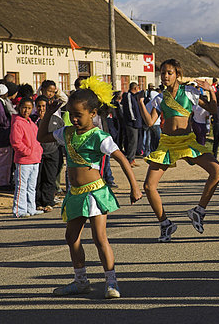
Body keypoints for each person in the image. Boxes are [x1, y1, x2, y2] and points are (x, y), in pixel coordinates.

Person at [37, 76, 142, 299]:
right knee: (71, 237)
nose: (74, 119)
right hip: (74, 194)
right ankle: (80, 280)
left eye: (78, 115)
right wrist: (50, 113)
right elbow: (41, 136)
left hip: (95, 192)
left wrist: (134, 187)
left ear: (93, 114)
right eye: (71, 115)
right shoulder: (66, 133)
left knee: (99, 238)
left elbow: (121, 159)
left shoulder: (99, 136)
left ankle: (111, 282)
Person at [138, 59, 219, 242]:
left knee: (217, 170)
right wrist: (140, 104)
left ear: (177, 74)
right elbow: (150, 122)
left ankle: (199, 211)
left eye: (169, 73)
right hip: (167, 143)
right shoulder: (159, 98)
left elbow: (213, 109)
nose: (165, 76)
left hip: (188, 142)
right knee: (148, 186)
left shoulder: (190, 92)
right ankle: (165, 224)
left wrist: (210, 90)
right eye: (163, 73)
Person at [10, 97, 43, 218]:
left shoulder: (31, 123)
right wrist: (27, 152)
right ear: (19, 108)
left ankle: (31, 208)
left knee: (31, 186)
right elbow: (16, 142)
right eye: (24, 107)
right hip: (24, 160)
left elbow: (37, 140)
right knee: (21, 186)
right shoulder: (17, 123)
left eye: (29, 108)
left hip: (35, 159)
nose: (26, 110)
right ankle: (19, 210)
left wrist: (38, 151)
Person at [33, 96, 64, 212]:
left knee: (50, 178)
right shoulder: (32, 120)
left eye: (44, 106)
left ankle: (48, 202)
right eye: (39, 106)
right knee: (38, 178)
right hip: (37, 154)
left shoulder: (56, 120)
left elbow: (62, 136)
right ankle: (37, 202)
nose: (41, 109)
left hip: (53, 153)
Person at [0, 81, 18, 191]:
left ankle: (6, 181)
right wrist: (11, 121)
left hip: (4, 134)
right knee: (4, 161)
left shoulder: (0, 102)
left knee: (7, 160)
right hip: (3, 134)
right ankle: (3, 183)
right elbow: (0, 119)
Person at [121, 82, 143, 166]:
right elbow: (130, 109)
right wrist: (133, 119)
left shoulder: (135, 96)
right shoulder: (128, 96)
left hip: (136, 122)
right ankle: (129, 160)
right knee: (132, 141)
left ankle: (132, 159)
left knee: (135, 141)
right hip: (131, 123)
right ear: (135, 88)